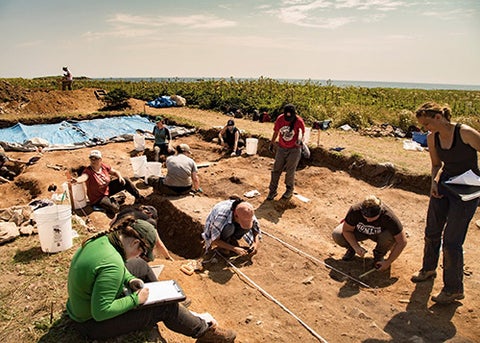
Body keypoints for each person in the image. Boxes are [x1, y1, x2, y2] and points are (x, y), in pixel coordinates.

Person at [66, 215, 236, 342]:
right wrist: (135, 299)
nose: (140, 255)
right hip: (91, 324)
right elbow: (101, 312)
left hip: (80, 306)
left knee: (140, 266)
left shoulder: (105, 239)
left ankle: (164, 298)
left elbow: (111, 271)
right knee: (165, 309)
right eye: (141, 251)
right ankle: (204, 332)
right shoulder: (113, 265)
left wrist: (129, 279)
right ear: (134, 243)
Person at [411, 101, 480, 304]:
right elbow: (436, 164)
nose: (425, 129)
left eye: (427, 124)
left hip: (468, 189)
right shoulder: (433, 138)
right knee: (432, 230)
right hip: (445, 185)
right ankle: (428, 269)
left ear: (438, 118)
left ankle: (453, 289)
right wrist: (434, 182)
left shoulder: (465, 133)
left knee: (452, 240)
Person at [332, 195, 407, 271]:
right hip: (359, 232)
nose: (368, 220)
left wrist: (388, 262)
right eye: (365, 217)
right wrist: (356, 246)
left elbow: (402, 241)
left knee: (390, 236)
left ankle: (379, 256)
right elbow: (346, 230)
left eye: (372, 218)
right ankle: (351, 249)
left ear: (379, 213)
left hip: (379, 236)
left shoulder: (389, 217)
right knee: (337, 234)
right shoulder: (355, 210)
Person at [112, 205, 174, 283]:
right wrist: (168, 258)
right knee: (142, 264)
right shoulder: (149, 222)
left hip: (119, 238)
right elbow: (159, 244)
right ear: (150, 214)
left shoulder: (127, 211)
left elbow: (111, 223)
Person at [79, 150, 143, 215]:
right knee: (115, 209)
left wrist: (120, 177)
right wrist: (77, 180)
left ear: (100, 159)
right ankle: (116, 199)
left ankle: (139, 197)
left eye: (95, 158)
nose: (93, 160)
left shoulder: (103, 166)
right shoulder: (88, 171)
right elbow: (84, 177)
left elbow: (115, 172)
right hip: (98, 197)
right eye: (91, 158)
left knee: (125, 180)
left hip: (107, 189)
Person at [267, 104, 305, 200]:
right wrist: (271, 143)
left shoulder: (299, 121)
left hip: (294, 149)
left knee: (290, 171)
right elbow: (276, 132)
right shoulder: (280, 119)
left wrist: (299, 140)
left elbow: (301, 133)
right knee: (276, 169)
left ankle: (289, 189)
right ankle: (272, 191)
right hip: (281, 147)